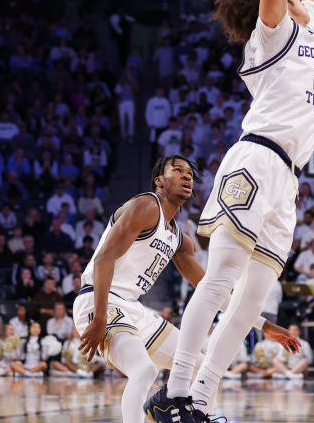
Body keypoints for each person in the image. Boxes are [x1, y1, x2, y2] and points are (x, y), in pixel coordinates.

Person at [147, 0, 314, 423]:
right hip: (257, 159)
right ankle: (177, 392)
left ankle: (202, 401)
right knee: (218, 283)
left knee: (251, 301)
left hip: (288, 179)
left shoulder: (305, 25)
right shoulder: (272, 27)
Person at [76, 156, 297, 423]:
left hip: (132, 307)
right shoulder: (146, 205)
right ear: (160, 180)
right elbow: (103, 259)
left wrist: (263, 325)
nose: (187, 176)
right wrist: (100, 317)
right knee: (144, 371)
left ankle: (186, 414)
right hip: (99, 300)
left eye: (190, 173)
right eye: (178, 170)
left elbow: (211, 291)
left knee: (199, 368)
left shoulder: (179, 239)